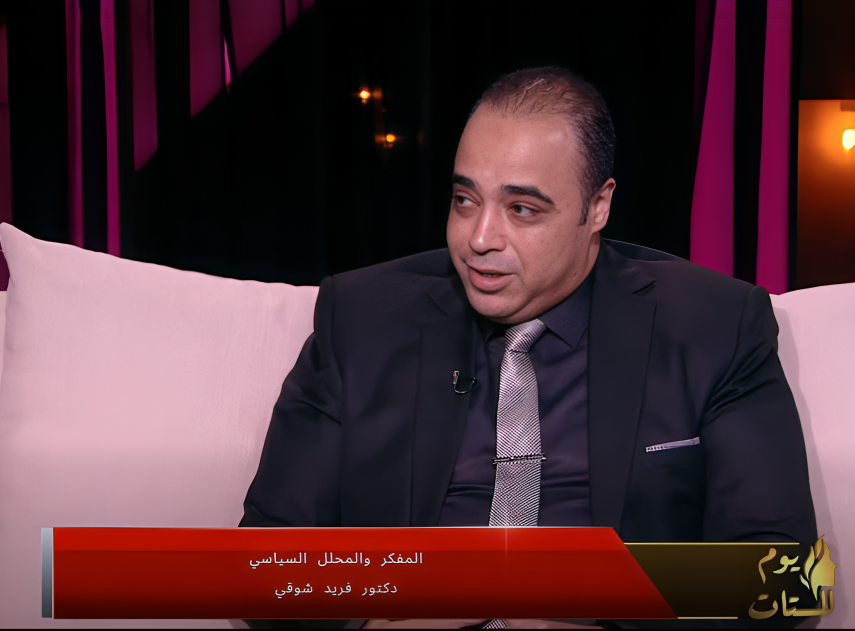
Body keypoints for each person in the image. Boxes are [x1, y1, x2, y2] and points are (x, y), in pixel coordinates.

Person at [239, 67, 816, 628]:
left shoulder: (715, 324)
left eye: (521, 209)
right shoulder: (361, 318)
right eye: (465, 200)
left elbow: (788, 578)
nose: (479, 239)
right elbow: (258, 565)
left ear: (597, 207)